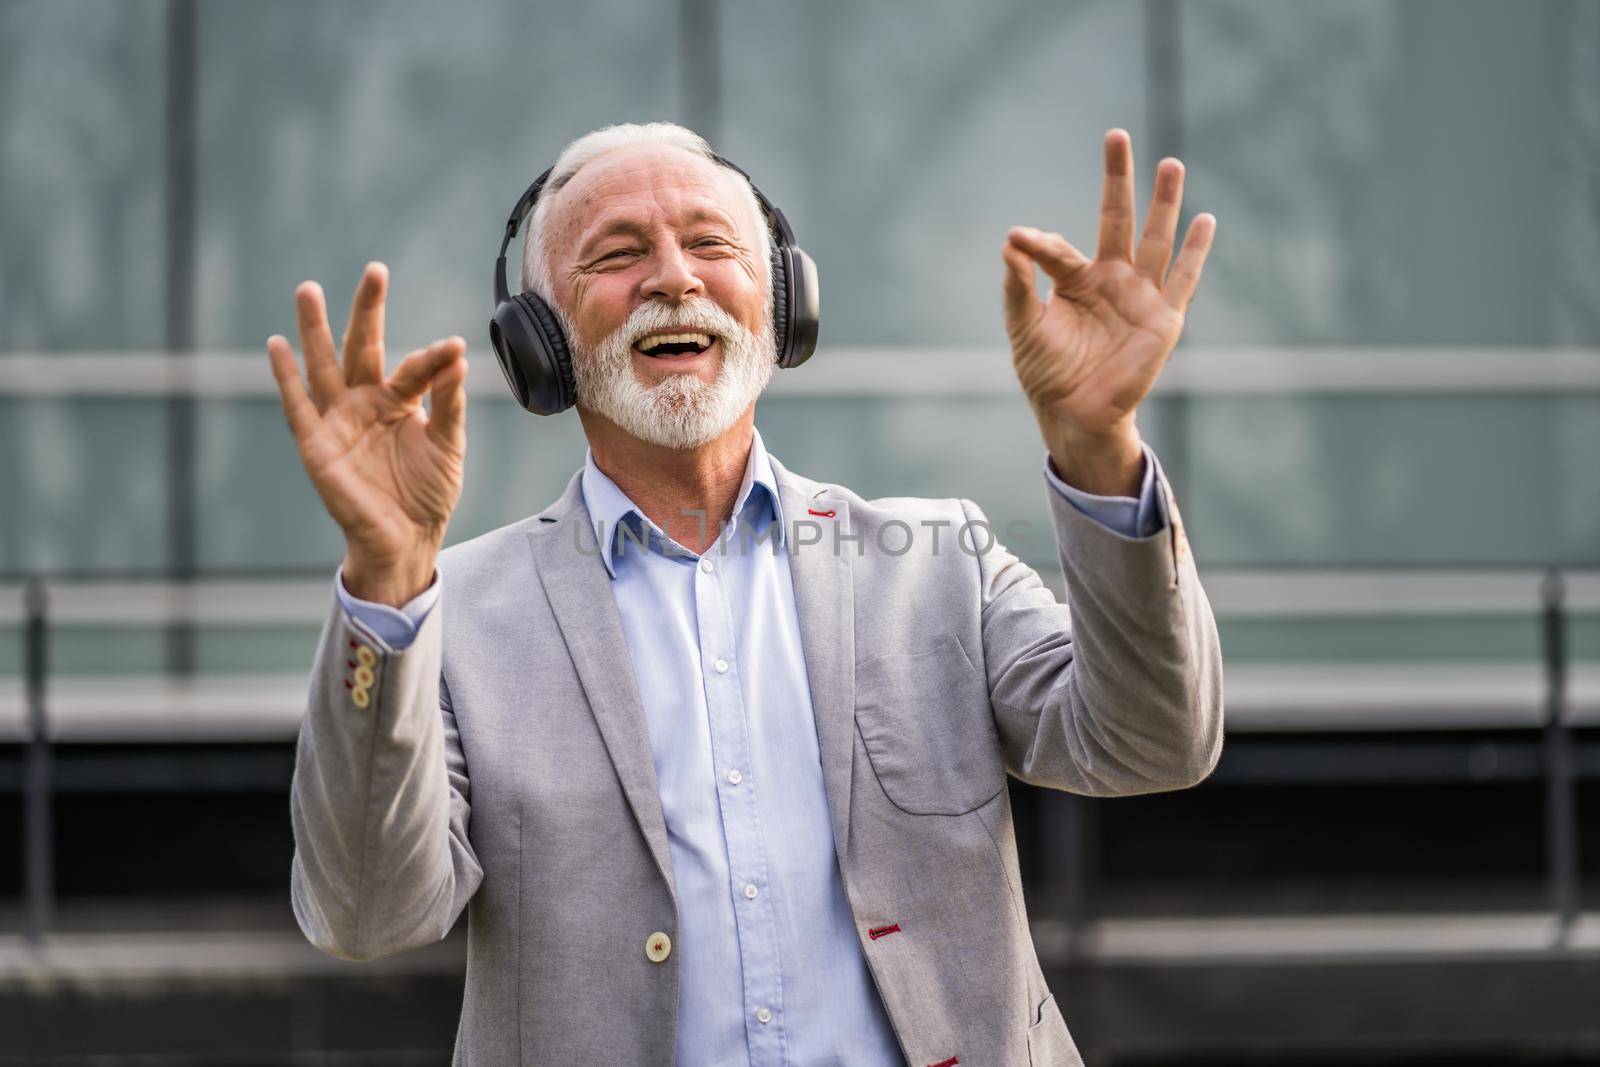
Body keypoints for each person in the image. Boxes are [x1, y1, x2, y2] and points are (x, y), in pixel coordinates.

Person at [267, 121, 1222, 1066]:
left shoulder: (940, 559)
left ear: (782, 303)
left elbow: (1151, 741)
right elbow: (366, 912)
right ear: (539, 343)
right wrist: (387, 582)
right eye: (618, 253)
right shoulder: (455, 613)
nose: (674, 277)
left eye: (712, 244)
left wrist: (1101, 449)